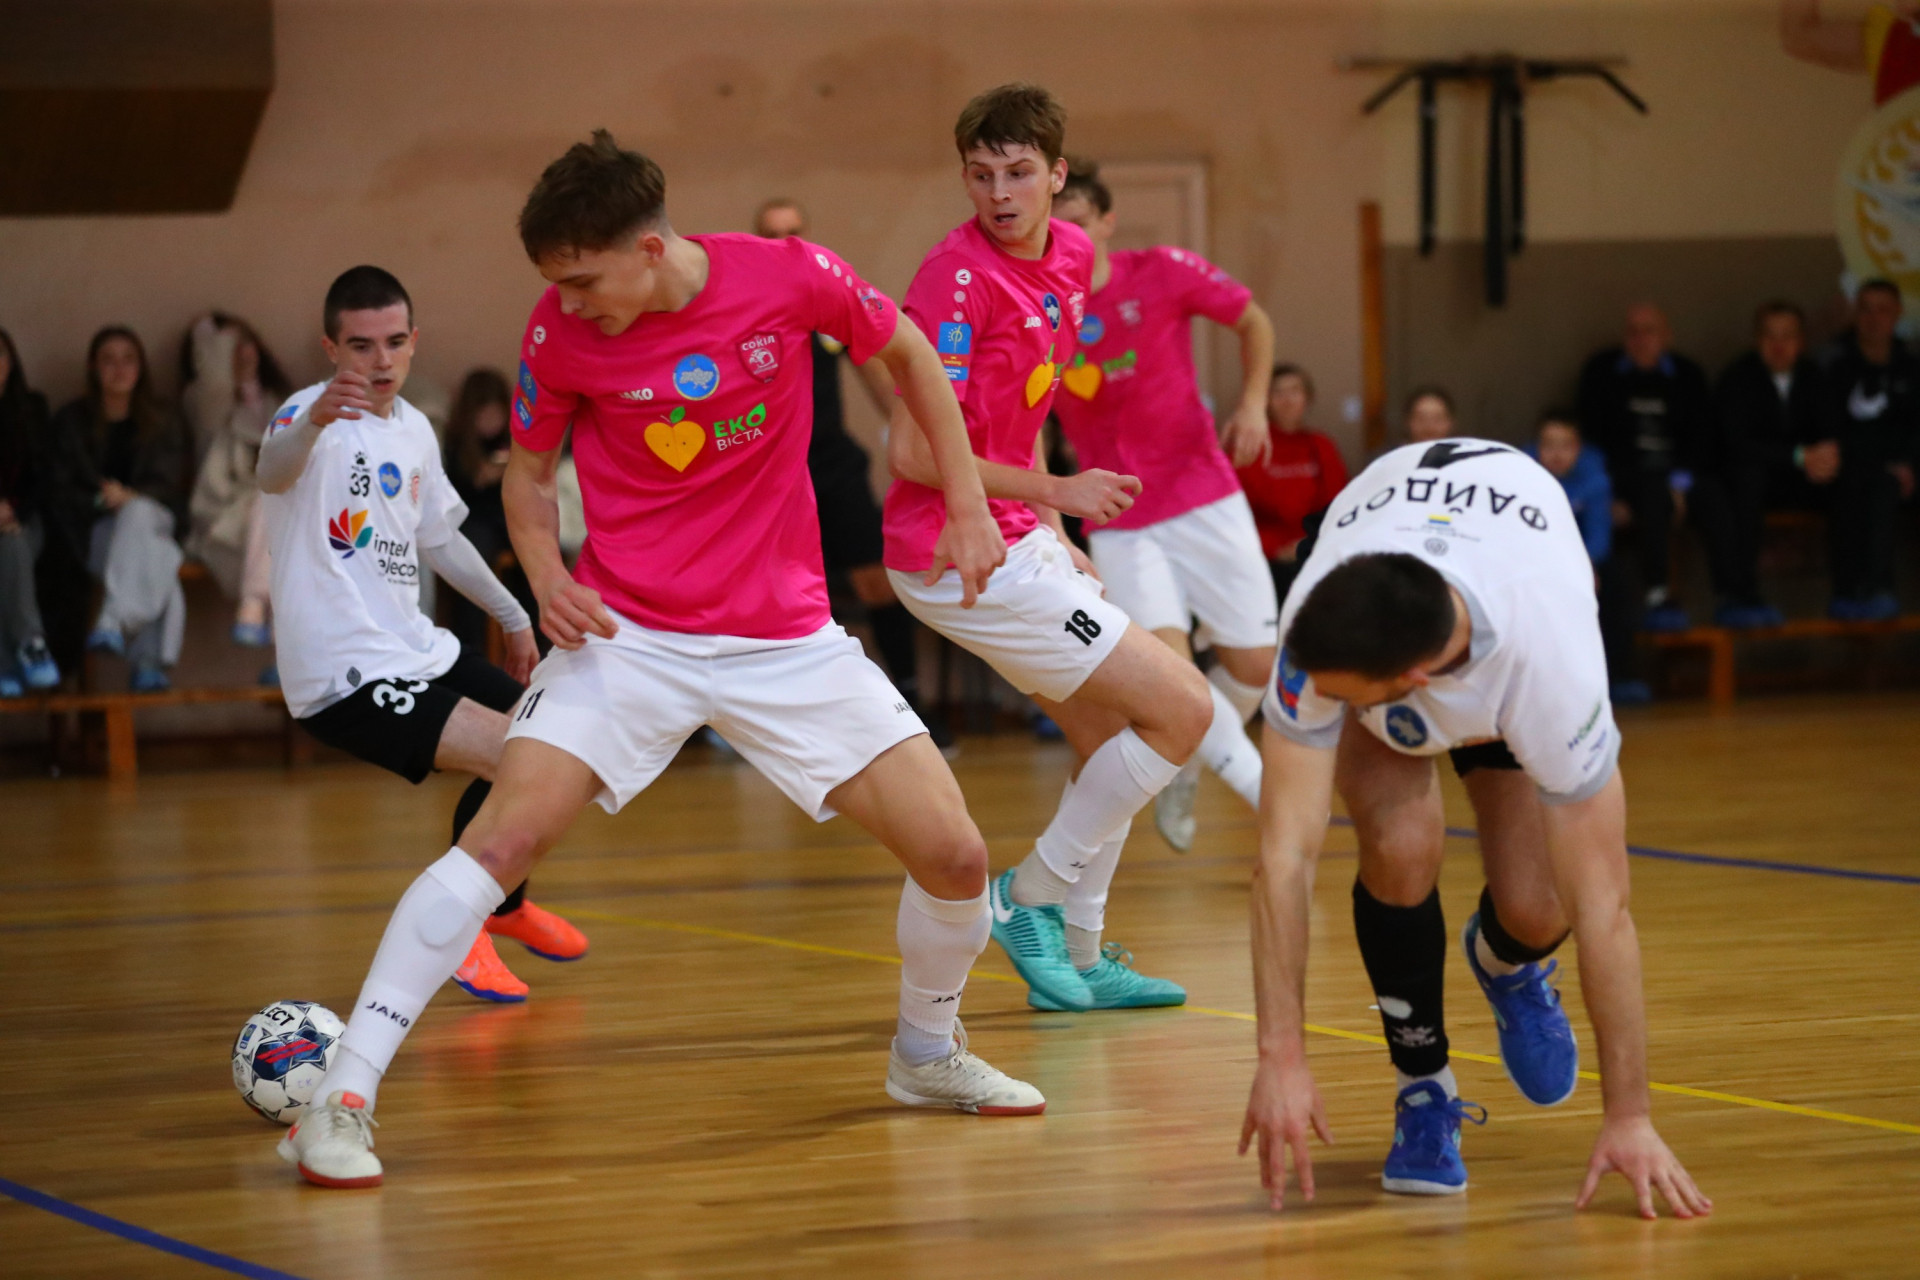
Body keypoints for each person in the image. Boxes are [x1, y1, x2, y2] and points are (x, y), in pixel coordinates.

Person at [278, 133, 1042, 1190]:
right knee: (503, 834)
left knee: (957, 856)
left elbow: (909, 354)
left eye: (586, 280)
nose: (570, 306)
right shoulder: (561, 328)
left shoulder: (788, 276)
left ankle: (926, 1053)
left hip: (786, 638)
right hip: (627, 634)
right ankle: (343, 1096)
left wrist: (967, 499)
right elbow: (531, 475)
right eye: (556, 285)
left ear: (649, 247)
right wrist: (545, 574)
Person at [1238, 438, 1711, 1221]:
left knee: (1545, 906)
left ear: (1411, 687)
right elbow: (1282, 859)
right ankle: (1423, 1086)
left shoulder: (1551, 665)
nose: (1313, 697)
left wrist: (1630, 1116)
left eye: (1337, 696)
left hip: (1500, 649)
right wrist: (1279, 1056)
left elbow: (1607, 912)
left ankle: (1506, 961)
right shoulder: (1322, 625)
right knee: (1400, 847)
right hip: (1407, 576)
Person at [884, 85, 1212, 1013]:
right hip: (951, 552)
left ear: (1057, 176)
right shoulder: (951, 280)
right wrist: (1056, 494)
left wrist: (1060, 533)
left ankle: (1083, 952)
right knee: (1183, 713)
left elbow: (1022, 409)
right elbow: (914, 451)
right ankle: (1025, 899)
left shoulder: (1073, 253)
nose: (1000, 192)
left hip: (1021, 539)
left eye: (1020, 172)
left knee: (1108, 738)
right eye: (981, 175)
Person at [256, 265, 588, 1017]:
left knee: (562, 746)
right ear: (330, 347)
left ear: (413, 344)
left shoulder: (412, 427)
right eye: (360, 346)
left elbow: (442, 537)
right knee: (517, 757)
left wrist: (513, 616)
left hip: (421, 651)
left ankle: (504, 908)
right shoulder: (305, 415)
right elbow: (272, 474)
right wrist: (311, 424)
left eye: (394, 343)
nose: (379, 361)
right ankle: (462, 928)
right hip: (345, 674)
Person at [1048, 155, 1277, 853]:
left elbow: (1253, 321)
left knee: (1258, 672)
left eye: (1080, 223)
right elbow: (1023, 424)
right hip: (1119, 520)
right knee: (1177, 688)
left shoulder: (1166, 270)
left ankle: (1188, 757)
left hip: (1204, 492)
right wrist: (1056, 525)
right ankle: (1275, 806)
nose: (1068, 238)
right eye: (1054, 227)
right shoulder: (1039, 307)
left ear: (1107, 221)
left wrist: (1255, 405)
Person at [751, 199, 950, 746]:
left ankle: (912, 700)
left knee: (874, 582)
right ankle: (787, 722)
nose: (785, 242)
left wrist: (922, 438)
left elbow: (883, 378)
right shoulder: (748, 313)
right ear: (757, 240)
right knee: (777, 594)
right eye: (773, 234)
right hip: (772, 475)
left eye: (794, 232)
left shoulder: (825, 305)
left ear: (807, 235)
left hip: (834, 465)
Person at [44, 327, 192, 692]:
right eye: (108, 360)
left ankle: (113, 619)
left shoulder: (163, 418)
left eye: (128, 359)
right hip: (96, 529)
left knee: (139, 514)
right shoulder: (71, 422)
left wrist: (132, 497)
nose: (119, 368)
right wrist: (103, 500)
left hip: (156, 515)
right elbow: (59, 490)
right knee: (160, 562)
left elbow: (172, 480)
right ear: (94, 367)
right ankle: (147, 664)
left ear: (141, 367)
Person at [1699, 301, 1837, 627]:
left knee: (1853, 481)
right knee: (1745, 483)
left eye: (1787, 336)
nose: (1779, 345)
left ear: (1801, 341)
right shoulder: (1737, 377)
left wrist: (1827, 458)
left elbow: (1831, 431)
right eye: (1769, 335)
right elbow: (1736, 444)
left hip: (1804, 481)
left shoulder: (1814, 376)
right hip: (1753, 480)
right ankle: (1741, 596)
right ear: (1756, 339)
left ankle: (1855, 590)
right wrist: (1798, 456)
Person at [1578, 304, 1714, 633]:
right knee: (1653, 493)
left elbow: (1702, 437)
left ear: (1666, 336)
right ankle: (1658, 592)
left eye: (1649, 331)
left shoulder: (1687, 374)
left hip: (1679, 477)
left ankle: (1738, 595)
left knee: (1721, 500)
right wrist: (1605, 496)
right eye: (1633, 332)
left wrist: (1680, 486)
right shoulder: (1602, 372)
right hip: (1624, 480)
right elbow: (1591, 439)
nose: (1641, 339)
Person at [182, 312, 293, 658]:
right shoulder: (205, 402)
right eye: (230, 345)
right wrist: (210, 335)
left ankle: (260, 614)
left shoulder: (282, 402)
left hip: (269, 521)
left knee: (289, 519)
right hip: (222, 517)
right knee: (276, 508)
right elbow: (214, 383)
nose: (243, 352)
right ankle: (259, 609)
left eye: (247, 342)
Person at [1529, 412, 1647, 704]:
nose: (1556, 454)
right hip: (1535, 562)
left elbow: (1598, 537)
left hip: (1582, 562)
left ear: (1578, 449)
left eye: (1565, 445)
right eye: (1548, 445)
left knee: (1616, 585)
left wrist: (1582, 568)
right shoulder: (1523, 477)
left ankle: (1615, 677)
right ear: (1537, 447)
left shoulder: (1595, 481)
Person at [1820, 279, 1916, 620]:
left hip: (1903, 471)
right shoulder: (1836, 363)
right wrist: (1882, 463)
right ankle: (1861, 589)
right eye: (1865, 310)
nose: (1874, 319)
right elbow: (1829, 427)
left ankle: (1877, 589)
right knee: (1865, 484)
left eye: (1883, 310)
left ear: (1898, 315)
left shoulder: (1910, 365)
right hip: (1853, 469)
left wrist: (1908, 463)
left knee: (1886, 483)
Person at [1236, 362, 1349, 607]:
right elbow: (1238, 511)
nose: (1287, 400)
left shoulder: (1321, 446)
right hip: (1263, 558)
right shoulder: (1249, 448)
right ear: (1265, 400)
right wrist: (1274, 548)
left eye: (1295, 391)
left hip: (1314, 552)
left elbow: (1337, 505)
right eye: (1278, 392)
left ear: (1308, 398)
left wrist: (1308, 541)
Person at [441, 369, 538, 655]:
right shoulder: (456, 441)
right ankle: (473, 649)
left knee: (534, 558)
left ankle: (540, 642)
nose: (491, 422)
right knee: (473, 562)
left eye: (496, 414)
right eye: (484, 415)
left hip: (507, 520)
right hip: (472, 523)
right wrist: (491, 472)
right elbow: (469, 484)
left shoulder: (512, 438)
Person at [0, 328, 60, 696]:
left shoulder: (31, 409)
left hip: (24, 520)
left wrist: (12, 512)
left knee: (12, 545)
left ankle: (16, 655)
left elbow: (44, 479)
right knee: (7, 551)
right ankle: (23, 650)